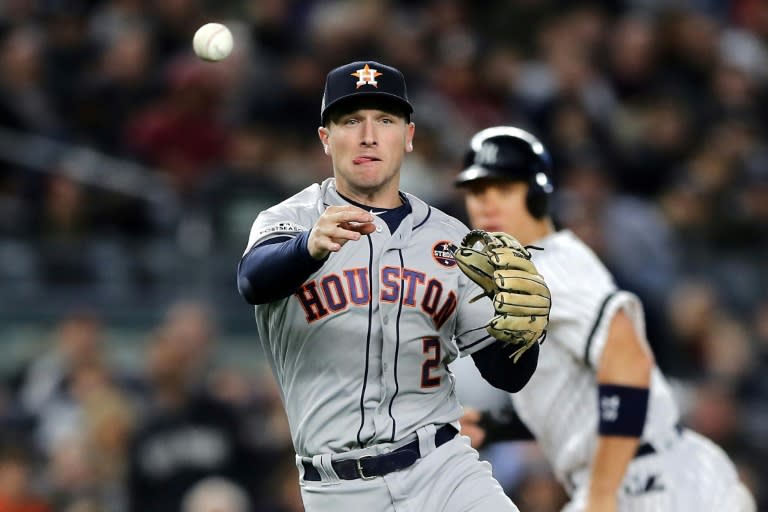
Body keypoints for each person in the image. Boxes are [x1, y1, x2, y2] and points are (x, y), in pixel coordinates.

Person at [236, 61, 550, 512]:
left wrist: (525, 332)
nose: (368, 135)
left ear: (408, 136)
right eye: (351, 121)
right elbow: (253, 280)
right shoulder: (291, 220)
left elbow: (508, 376)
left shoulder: (454, 240)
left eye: (385, 120)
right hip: (339, 487)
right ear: (326, 139)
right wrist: (308, 247)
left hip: (443, 469)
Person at [452, 126, 757, 512]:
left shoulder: (552, 266)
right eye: (477, 191)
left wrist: (601, 491)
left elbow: (628, 363)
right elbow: (586, 400)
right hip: (659, 475)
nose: (487, 204)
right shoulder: (537, 264)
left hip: (647, 482)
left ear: (537, 193)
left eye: (504, 189)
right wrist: (497, 424)